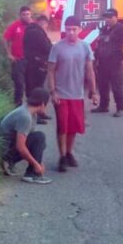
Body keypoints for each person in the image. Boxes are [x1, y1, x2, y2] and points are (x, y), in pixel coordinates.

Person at [47, 16, 99, 172]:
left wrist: (94, 91)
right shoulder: (57, 47)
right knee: (62, 126)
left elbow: (90, 70)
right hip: (61, 94)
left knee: (73, 127)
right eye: (68, 29)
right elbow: (50, 70)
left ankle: (69, 153)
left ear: (79, 30)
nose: (70, 32)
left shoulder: (85, 47)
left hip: (77, 94)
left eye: (74, 29)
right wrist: (53, 91)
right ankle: (62, 157)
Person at [0, 87, 52, 184]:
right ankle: (31, 174)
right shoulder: (25, 116)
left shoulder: (31, 113)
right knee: (39, 137)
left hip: (10, 144)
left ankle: (11, 162)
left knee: (38, 138)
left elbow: (31, 141)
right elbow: (21, 146)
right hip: (5, 149)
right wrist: (36, 164)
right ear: (43, 104)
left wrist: (39, 162)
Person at [92, 8, 123, 117]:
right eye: (106, 17)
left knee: (116, 86)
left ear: (116, 17)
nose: (108, 19)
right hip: (103, 62)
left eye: (110, 17)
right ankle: (103, 106)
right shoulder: (104, 29)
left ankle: (120, 108)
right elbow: (100, 44)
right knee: (102, 85)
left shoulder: (121, 29)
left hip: (115, 62)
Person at [23, 14, 53, 124]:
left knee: (36, 89)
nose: (46, 27)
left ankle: (39, 113)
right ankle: (35, 116)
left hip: (33, 63)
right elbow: (46, 47)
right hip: (36, 65)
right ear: (43, 22)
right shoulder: (37, 32)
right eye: (46, 24)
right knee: (36, 91)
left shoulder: (31, 30)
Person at [3, 5, 33, 106]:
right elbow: (5, 38)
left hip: (31, 61)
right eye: (24, 14)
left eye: (28, 14)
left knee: (31, 85)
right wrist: (8, 54)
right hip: (18, 60)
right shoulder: (15, 25)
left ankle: (31, 107)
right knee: (19, 85)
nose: (26, 16)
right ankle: (17, 107)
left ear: (31, 14)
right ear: (20, 15)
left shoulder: (34, 26)